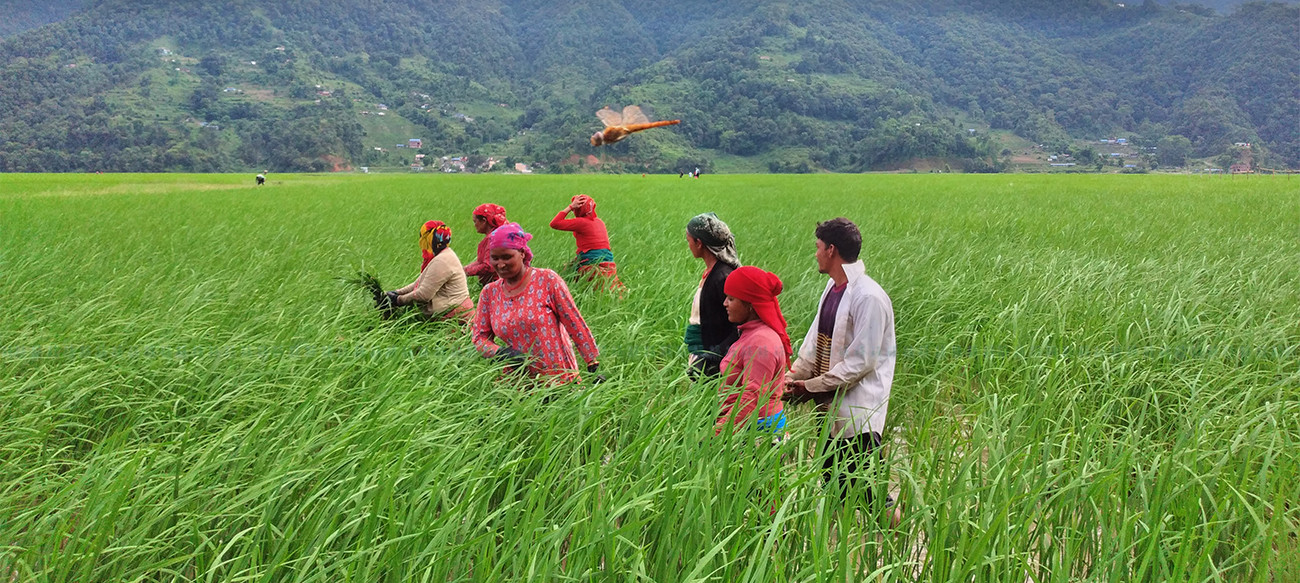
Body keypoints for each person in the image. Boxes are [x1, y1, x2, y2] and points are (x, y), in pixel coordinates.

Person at [785, 218, 896, 508]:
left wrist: (809, 387)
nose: (816, 253)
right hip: (830, 412)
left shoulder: (868, 296)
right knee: (837, 490)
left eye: (818, 247)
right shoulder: (833, 289)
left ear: (832, 250)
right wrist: (793, 377)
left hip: (857, 417)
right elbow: (814, 342)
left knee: (872, 498)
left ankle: (900, 545)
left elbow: (860, 363)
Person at [471, 223, 600, 385]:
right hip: (517, 383)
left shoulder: (547, 280)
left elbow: (574, 322)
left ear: (522, 254)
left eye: (507, 257)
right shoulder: (490, 293)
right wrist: (501, 352)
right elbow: (479, 337)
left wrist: (592, 364)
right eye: (495, 258)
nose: (500, 264)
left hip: (559, 379)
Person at [715, 266, 791, 435]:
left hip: (756, 432)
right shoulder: (752, 334)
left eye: (731, 299)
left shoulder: (760, 342)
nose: (725, 303)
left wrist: (716, 436)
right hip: (748, 425)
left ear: (749, 305)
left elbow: (751, 399)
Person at [684, 212, 741, 378]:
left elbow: (737, 326)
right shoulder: (713, 273)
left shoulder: (722, 277)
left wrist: (712, 357)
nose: (688, 245)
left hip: (714, 358)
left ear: (699, 243)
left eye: (689, 241)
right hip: (704, 351)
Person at [382, 221, 475, 321]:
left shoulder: (442, 261)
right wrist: (396, 293)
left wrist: (398, 300)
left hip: (455, 317)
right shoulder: (443, 255)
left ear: (430, 239)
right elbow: (419, 283)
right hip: (452, 313)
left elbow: (423, 294)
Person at [549, 194, 621, 287]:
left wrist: (570, 207)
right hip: (608, 260)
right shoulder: (599, 221)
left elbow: (554, 223)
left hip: (590, 260)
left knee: (567, 274)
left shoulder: (581, 222)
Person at [464, 203, 508, 286]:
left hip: (497, 285)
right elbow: (481, 262)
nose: (474, 225)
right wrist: (463, 270)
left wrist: (465, 272)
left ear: (484, 221)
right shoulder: (496, 235)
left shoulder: (493, 239)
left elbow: (488, 266)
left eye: (475, 221)